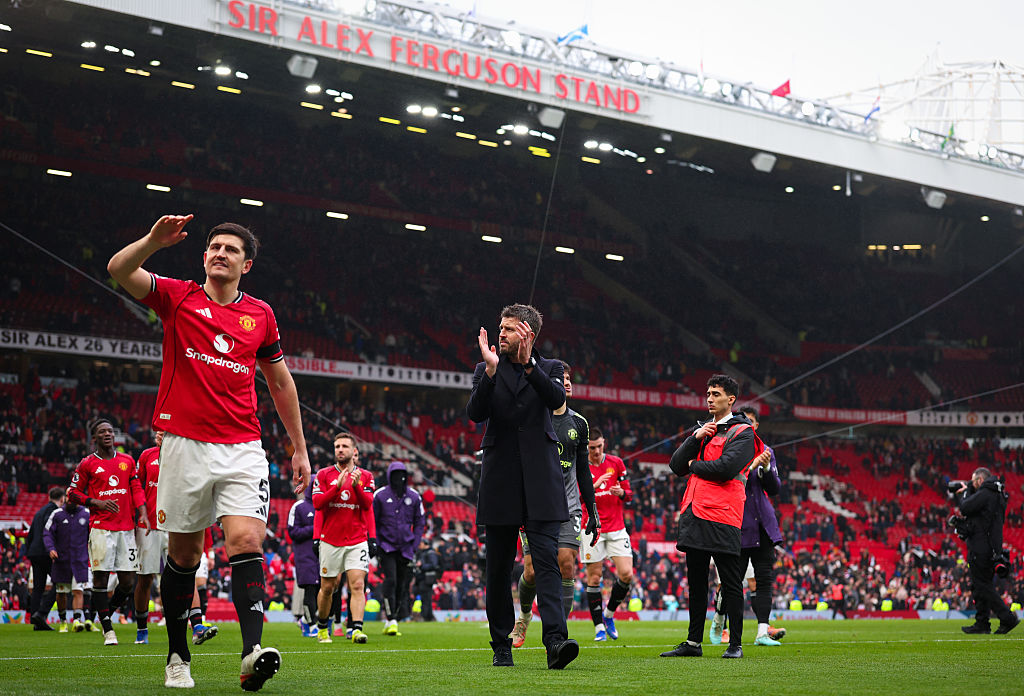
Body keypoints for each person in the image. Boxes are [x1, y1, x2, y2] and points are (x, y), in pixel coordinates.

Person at [107, 215, 311, 690]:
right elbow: (119, 269)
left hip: (243, 446)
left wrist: (299, 448)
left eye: (231, 249)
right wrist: (153, 241)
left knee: (245, 541)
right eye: (214, 247)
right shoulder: (178, 296)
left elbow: (280, 382)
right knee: (185, 554)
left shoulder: (260, 314)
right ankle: (177, 656)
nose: (220, 253)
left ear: (247, 263)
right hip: (183, 446)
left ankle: (252, 653)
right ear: (204, 257)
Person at [466, 303, 579, 670]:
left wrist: (529, 366)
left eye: (510, 329)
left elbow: (557, 400)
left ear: (529, 334)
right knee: (498, 569)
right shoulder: (487, 369)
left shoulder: (550, 368)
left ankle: (556, 643)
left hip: (541, 482)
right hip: (500, 480)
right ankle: (501, 645)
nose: (501, 333)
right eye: (500, 327)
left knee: (547, 564)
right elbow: (475, 413)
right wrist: (491, 372)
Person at [661, 374, 764, 660]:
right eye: (707, 393)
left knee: (731, 581)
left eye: (716, 394)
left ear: (731, 399)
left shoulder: (742, 431)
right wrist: (694, 439)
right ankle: (693, 643)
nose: (709, 398)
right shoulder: (703, 430)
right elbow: (675, 465)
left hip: (722, 515)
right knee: (696, 582)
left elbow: (725, 468)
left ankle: (736, 645)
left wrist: (694, 464)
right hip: (694, 512)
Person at [511, 360, 599, 647]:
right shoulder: (538, 416)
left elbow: (583, 470)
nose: (567, 382)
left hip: (568, 505)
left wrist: (592, 511)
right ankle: (524, 616)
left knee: (566, 563)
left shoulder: (579, 423)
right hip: (535, 502)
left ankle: (558, 637)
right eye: (562, 378)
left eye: (570, 378)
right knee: (533, 570)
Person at [709, 406, 787, 647]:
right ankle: (719, 621)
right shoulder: (731, 450)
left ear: (757, 425)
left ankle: (762, 632)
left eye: (752, 422)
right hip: (736, 523)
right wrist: (752, 465)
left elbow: (774, 489)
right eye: (745, 422)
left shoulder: (766, 451)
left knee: (763, 579)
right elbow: (730, 481)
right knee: (732, 583)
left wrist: (764, 467)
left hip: (762, 523)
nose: (749, 426)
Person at [67, 419, 147, 646]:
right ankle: (108, 629)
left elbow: (136, 488)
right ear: (95, 438)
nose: (108, 434)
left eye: (110, 431)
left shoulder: (127, 461)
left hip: (126, 530)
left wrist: (142, 511)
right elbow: (72, 492)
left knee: (127, 583)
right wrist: (95, 502)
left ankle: (104, 614)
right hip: (101, 528)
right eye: (102, 431)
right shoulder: (87, 464)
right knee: (101, 578)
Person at [312, 432, 376, 645]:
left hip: (357, 539)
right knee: (328, 588)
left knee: (357, 584)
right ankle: (322, 627)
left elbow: (367, 505)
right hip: (330, 540)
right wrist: (336, 487)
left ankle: (356, 629)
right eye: (337, 446)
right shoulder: (323, 474)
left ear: (354, 451)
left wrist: (356, 486)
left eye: (344, 446)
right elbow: (318, 504)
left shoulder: (365, 476)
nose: (340, 449)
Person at [581, 427, 632, 642]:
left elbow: (629, 494)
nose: (596, 451)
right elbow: (577, 498)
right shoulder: (580, 464)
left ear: (604, 444)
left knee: (626, 574)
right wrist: (594, 485)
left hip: (617, 528)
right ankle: (599, 627)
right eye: (592, 448)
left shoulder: (616, 463)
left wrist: (622, 493)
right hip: (592, 528)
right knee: (594, 578)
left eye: (599, 446)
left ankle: (609, 615)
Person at [956, 467, 1019, 635]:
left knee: (982, 586)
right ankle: (982, 622)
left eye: (973, 481)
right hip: (992, 547)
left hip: (981, 547)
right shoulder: (998, 494)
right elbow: (982, 517)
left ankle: (1007, 617)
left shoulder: (986, 493)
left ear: (979, 481)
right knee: (980, 585)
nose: (972, 485)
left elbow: (965, 507)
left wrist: (965, 491)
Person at [373, 461, 425, 636]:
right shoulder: (379, 495)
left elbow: (420, 522)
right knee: (391, 580)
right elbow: (372, 521)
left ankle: (393, 616)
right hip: (386, 547)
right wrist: (376, 543)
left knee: (402, 584)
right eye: (395, 474)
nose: (399, 478)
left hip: (406, 547)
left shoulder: (414, 496)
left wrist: (415, 544)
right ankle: (390, 617)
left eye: (402, 474)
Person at [133, 431, 167, 645]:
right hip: (149, 526)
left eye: (164, 432)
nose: (159, 436)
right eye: (157, 433)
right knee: (145, 578)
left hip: (175, 525)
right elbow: (137, 487)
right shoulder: (147, 455)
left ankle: (189, 624)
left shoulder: (183, 455)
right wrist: (141, 514)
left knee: (179, 578)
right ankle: (142, 629)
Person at [42, 492, 90, 632]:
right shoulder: (56, 514)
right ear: (66, 498)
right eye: (69, 497)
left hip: (80, 560)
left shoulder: (86, 514)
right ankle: (63, 621)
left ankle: (76, 620)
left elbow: (93, 534)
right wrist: (50, 548)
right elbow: (47, 532)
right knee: (61, 592)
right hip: (61, 560)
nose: (71, 500)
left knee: (78, 590)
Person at [26, 486, 65, 630]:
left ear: (49, 497)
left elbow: (30, 534)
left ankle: (36, 620)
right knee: (60, 582)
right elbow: (51, 532)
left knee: (38, 587)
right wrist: (53, 549)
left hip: (34, 552)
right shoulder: (54, 512)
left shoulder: (39, 512)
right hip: (46, 552)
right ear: (62, 499)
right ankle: (41, 614)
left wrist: (29, 551)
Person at [288, 486, 319, 637]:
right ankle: (311, 624)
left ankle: (308, 622)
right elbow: (293, 531)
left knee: (322, 589)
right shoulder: (298, 507)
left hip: (323, 555)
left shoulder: (325, 505)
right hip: (305, 556)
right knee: (310, 589)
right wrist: (314, 528)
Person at [414, 538, 440, 621]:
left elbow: (434, 565)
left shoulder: (430, 553)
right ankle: (428, 616)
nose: (419, 545)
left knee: (425, 598)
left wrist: (421, 565)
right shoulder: (423, 553)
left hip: (426, 579)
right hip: (422, 578)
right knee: (426, 598)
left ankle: (425, 616)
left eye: (421, 543)